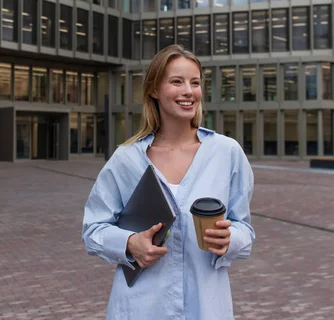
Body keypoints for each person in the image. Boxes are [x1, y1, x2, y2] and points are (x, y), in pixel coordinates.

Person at [82, 45, 255, 320]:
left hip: (206, 307)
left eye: (195, 82)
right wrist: (129, 243)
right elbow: (93, 231)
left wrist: (229, 239)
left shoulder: (226, 153)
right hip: (141, 308)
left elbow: (244, 228)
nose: (189, 91)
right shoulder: (126, 160)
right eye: (177, 81)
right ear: (153, 89)